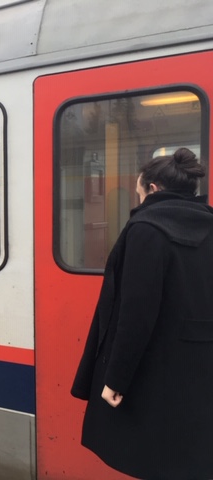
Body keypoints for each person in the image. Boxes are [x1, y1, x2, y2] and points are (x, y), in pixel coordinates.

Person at [71, 147, 213, 479]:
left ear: (152, 188)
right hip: (200, 371)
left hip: (153, 372)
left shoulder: (146, 229)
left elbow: (136, 315)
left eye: (138, 192)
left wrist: (116, 379)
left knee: (155, 458)